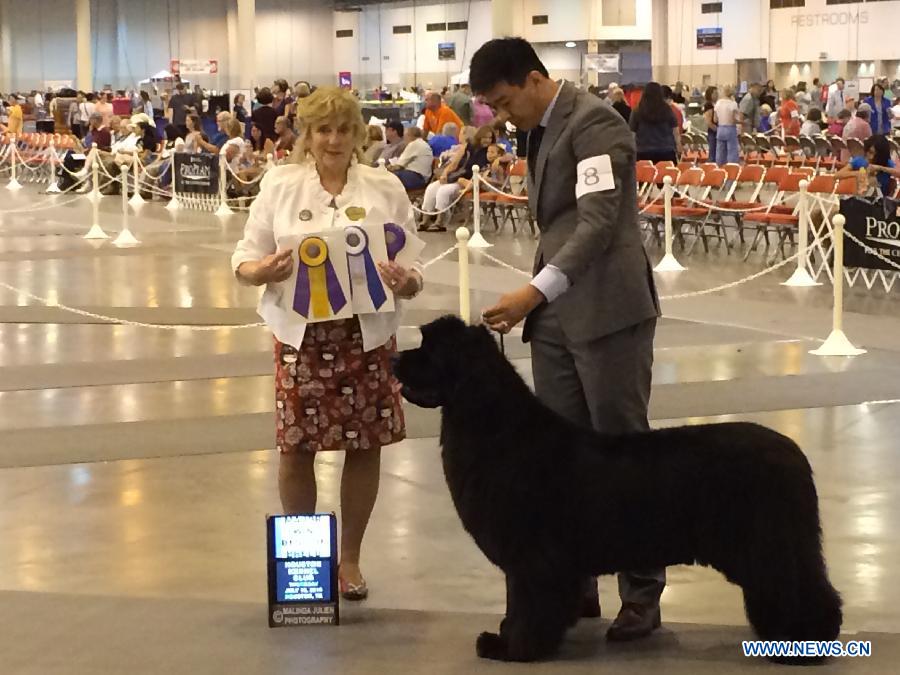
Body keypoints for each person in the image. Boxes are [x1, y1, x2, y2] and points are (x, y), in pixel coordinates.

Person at [470, 37, 662, 642]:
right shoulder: (540, 127)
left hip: (607, 309)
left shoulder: (597, 122)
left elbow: (599, 222)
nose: (503, 116)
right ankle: (568, 581)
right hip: (554, 315)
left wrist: (533, 291)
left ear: (533, 79)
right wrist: (541, 298)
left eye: (504, 103)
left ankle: (641, 594)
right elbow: (555, 223)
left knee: (622, 453)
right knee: (558, 457)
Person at [231, 86, 424, 601]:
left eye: (343, 129)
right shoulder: (279, 185)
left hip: (367, 336)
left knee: (366, 446)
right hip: (300, 338)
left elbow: (414, 267)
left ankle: (351, 561)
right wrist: (262, 270)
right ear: (307, 136)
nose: (333, 139)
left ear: (358, 134)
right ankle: (306, 562)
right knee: (296, 448)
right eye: (323, 130)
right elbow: (244, 259)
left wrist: (406, 281)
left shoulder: (386, 188)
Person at [418, 125, 495, 232]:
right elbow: (454, 164)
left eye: (490, 138)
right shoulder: (467, 147)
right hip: (455, 175)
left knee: (443, 191)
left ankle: (440, 222)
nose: (487, 140)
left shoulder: (490, 151)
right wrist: (445, 173)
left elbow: (500, 158)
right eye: (485, 137)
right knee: (431, 188)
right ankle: (425, 219)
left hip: (467, 181)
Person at [629, 81, 681, 163]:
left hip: (643, 152)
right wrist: (678, 147)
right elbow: (675, 131)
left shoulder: (637, 111)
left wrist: (631, 150)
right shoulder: (667, 110)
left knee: (644, 175)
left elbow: (632, 134)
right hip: (665, 151)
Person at [713, 85, 741, 165]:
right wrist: (741, 122)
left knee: (720, 152)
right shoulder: (733, 104)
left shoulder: (718, 103)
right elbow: (733, 119)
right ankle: (732, 170)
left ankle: (720, 169)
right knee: (732, 152)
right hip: (730, 128)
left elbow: (715, 119)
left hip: (720, 129)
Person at [702, 86, 717, 163]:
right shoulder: (708, 105)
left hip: (715, 130)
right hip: (713, 132)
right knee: (712, 154)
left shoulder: (716, 104)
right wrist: (717, 130)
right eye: (715, 93)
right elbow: (709, 122)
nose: (717, 95)